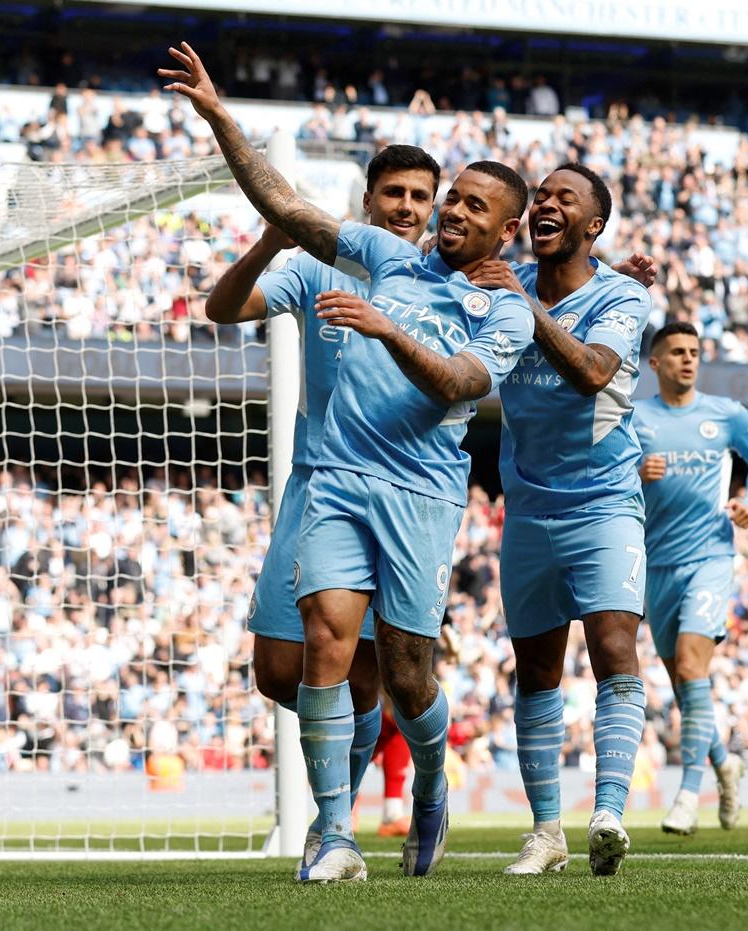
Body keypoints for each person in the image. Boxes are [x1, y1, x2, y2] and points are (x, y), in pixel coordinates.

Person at [161, 42, 534, 882]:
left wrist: (387, 328)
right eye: (451, 200)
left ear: (503, 229)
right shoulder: (383, 255)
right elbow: (285, 203)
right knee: (325, 642)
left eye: (470, 205)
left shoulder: (504, 309)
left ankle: (433, 780)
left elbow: (460, 384)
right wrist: (221, 117)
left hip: (422, 497)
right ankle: (335, 836)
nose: (449, 213)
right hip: (331, 480)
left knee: (406, 677)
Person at [203, 144, 442, 863]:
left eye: (420, 196)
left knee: (364, 670)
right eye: (393, 192)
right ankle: (345, 795)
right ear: (367, 200)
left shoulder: (443, 278)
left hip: (402, 493)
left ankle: (335, 823)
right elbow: (222, 308)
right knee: (280, 671)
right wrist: (272, 239)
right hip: (316, 483)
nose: (406, 206)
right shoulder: (316, 267)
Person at [467, 164, 653, 877]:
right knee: (537, 672)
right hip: (529, 506)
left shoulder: (621, 296)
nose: (544, 201)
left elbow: (592, 372)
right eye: (539, 194)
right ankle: (547, 833)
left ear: (592, 227)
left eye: (561, 198)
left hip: (605, 501)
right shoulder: (497, 280)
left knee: (613, 648)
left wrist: (522, 302)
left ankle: (608, 810)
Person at [633, 320, 748, 836]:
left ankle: (688, 796)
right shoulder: (635, 417)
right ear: (656, 363)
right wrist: (633, 473)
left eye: (694, 352)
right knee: (686, 684)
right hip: (655, 565)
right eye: (677, 353)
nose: (688, 360)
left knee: (693, 665)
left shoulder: (727, 414)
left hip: (712, 557)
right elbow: (604, 473)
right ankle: (724, 763)